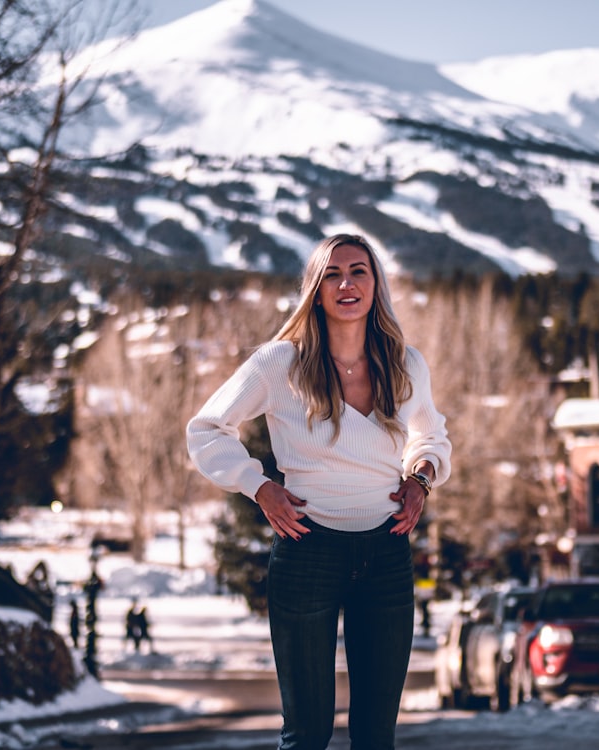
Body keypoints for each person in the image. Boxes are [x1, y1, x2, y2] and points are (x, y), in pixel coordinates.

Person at [186, 233, 452, 750]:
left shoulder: (406, 365)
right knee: (306, 734)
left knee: (376, 736)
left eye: (359, 271)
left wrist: (421, 479)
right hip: (308, 551)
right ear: (315, 288)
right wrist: (259, 486)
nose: (346, 283)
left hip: (386, 555)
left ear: (376, 285)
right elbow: (206, 428)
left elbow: (431, 435)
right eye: (332, 274)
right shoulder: (278, 364)